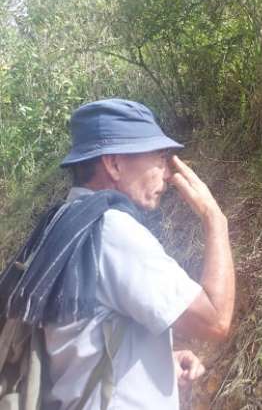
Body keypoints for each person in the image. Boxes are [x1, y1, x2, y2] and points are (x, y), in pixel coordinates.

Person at [3, 99, 236, 409]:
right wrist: (215, 219)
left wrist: (162, 360)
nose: (167, 173)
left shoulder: (62, 223)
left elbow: (79, 340)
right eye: (161, 157)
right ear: (113, 164)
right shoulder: (112, 231)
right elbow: (215, 322)